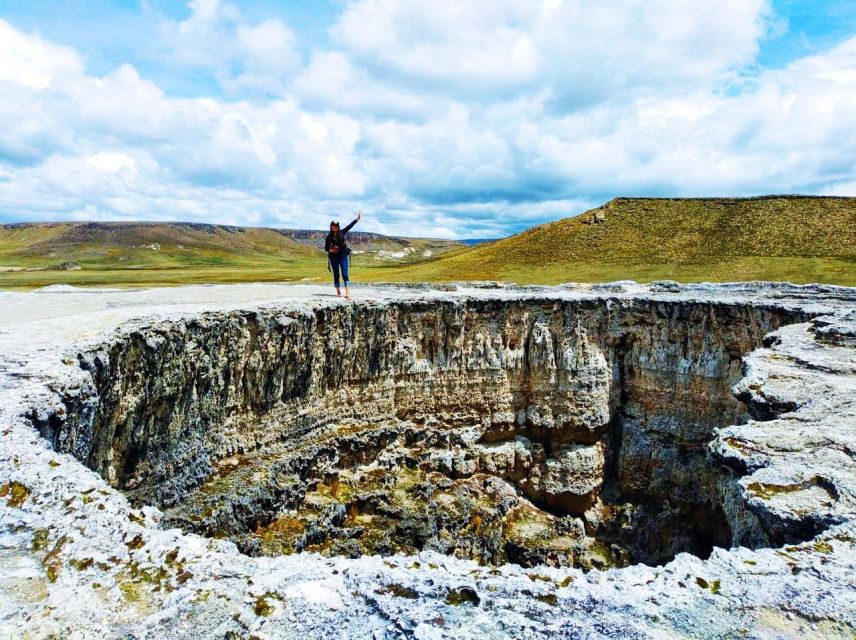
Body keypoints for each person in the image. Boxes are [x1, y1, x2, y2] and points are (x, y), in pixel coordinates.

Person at [325, 210, 362, 299]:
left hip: (342, 255)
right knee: (336, 274)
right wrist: (331, 250)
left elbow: (350, 226)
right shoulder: (329, 237)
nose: (335, 227)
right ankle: (338, 290)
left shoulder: (342, 232)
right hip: (333, 257)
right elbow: (326, 248)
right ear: (331, 226)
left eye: (336, 226)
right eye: (333, 226)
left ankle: (348, 293)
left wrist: (357, 219)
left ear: (338, 227)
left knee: (345, 274)